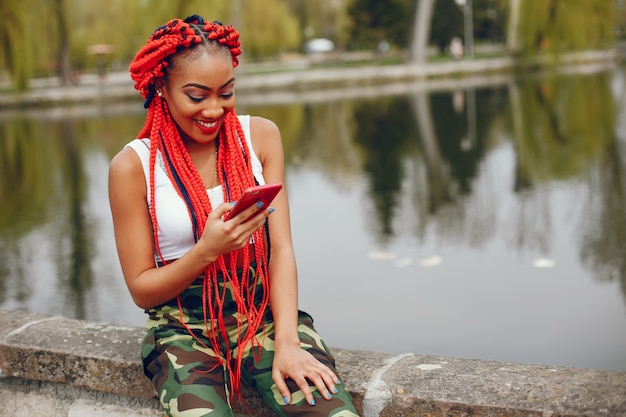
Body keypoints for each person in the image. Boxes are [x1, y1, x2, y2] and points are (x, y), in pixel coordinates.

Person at [108, 14, 359, 417]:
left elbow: (281, 249)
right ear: (161, 87)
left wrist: (290, 344)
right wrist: (207, 250)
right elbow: (141, 290)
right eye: (197, 95)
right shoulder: (133, 166)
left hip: (264, 317)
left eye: (226, 92)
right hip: (184, 328)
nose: (214, 108)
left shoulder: (260, 137)